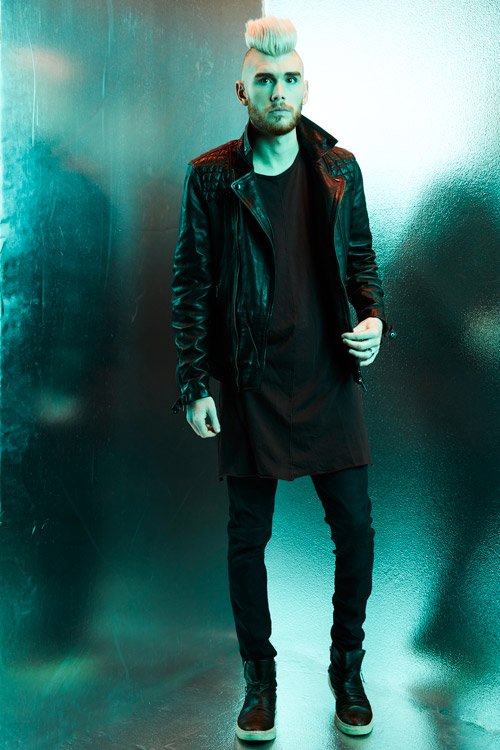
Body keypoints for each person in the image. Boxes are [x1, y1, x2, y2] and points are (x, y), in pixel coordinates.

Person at [171, 15, 395, 741]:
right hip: (249, 381)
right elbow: (191, 283)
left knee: (356, 530)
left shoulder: (340, 168)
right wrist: (194, 384)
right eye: (265, 79)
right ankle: (260, 682)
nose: (279, 90)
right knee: (247, 538)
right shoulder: (212, 176)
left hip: (328, 377)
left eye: (291, 78)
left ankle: (346, 670)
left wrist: (374, 319)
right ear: (243, 91)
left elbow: (361, 259)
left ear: (305, 87)